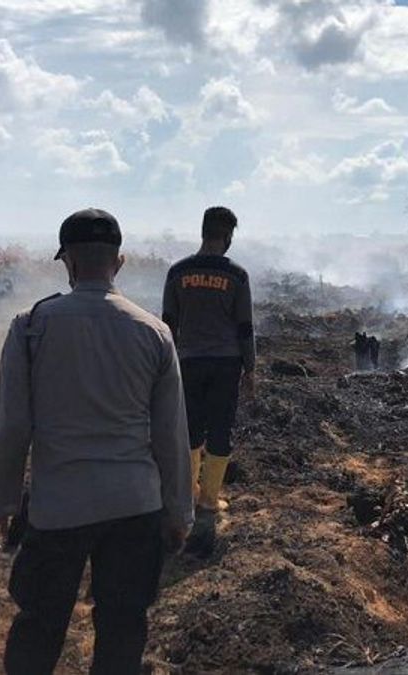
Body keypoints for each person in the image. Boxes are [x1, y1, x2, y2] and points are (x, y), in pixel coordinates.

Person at [0, 208, 193, 675]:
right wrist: (179, 512)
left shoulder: (32, 325)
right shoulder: (154, 332)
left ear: (68, 262)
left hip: (58, 508)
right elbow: (172, 436)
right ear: (119, 262)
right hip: (135, 508)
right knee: (122, 626)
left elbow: (12, 425)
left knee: (39, 625)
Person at [161, 206, 255, 556]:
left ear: (203, 232)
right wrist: (251, 368)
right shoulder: (237, 276)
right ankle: (209, 503)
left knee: (189, 431)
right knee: (220, 431)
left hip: (187, 362)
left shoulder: (178, 272)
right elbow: (244, 326)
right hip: (226, 364)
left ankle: (187, 499)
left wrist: (165, 366)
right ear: (227, 236)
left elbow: (167, 324)